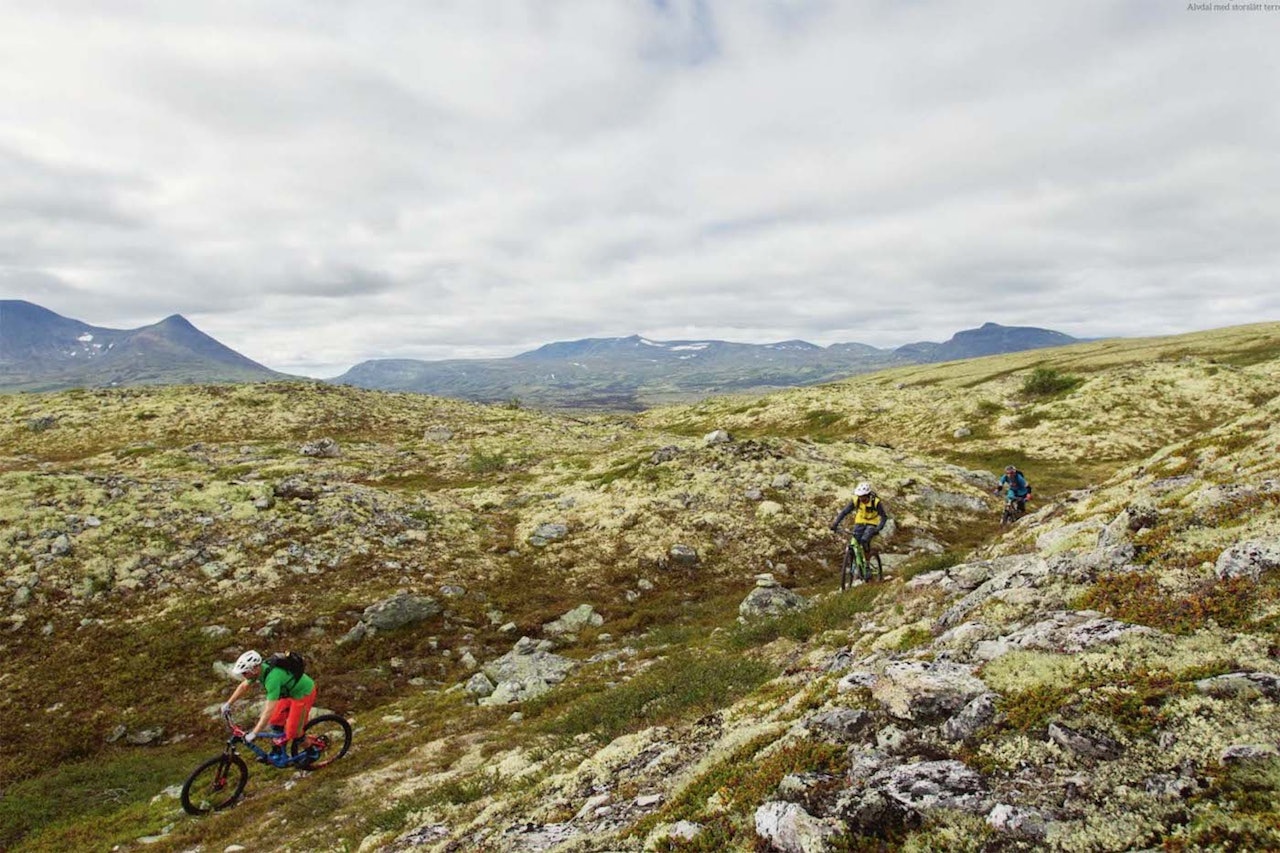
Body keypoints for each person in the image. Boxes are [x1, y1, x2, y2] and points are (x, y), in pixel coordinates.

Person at [221, 650, 317, 760]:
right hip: (288, 694)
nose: (243, 675)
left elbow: (268, 711)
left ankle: (312, 752)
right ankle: (278, 751)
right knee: (275, 721)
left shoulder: (272, 679)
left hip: (303, 694)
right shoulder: (259, 671)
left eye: (245, 672)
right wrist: (228, 703)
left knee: (294, 732)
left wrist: (254, 733)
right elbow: (243, 686)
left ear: (254, 668)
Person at [830, 482, 890, 557]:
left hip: (872, 521)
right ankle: (853, 561)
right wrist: (835, 523)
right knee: (854, 541)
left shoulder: (875, 502)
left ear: (867, 495)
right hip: (860, 520)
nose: (861, 498)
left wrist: (878, 529)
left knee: (864, 540)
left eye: (863, 497)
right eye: (859, 496)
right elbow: (844, 512)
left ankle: (867, 563)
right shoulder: (856, 500)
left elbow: (884, 517)